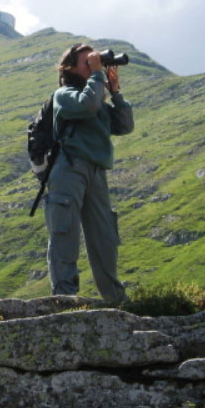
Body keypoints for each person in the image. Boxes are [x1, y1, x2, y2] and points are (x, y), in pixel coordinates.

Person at [44, 43, 134, 304]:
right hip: (69, 168)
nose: (95, 64)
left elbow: (125, 125)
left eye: (96, 60)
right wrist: (97, 75)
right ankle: (65, 298)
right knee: (65, 231)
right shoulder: (64, 94)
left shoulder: (97, 97)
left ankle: (116, 299)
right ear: (70, 67)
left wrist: (115, 92)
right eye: (88, 61)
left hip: (96, 171)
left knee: (104, 236)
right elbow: (89, 105)